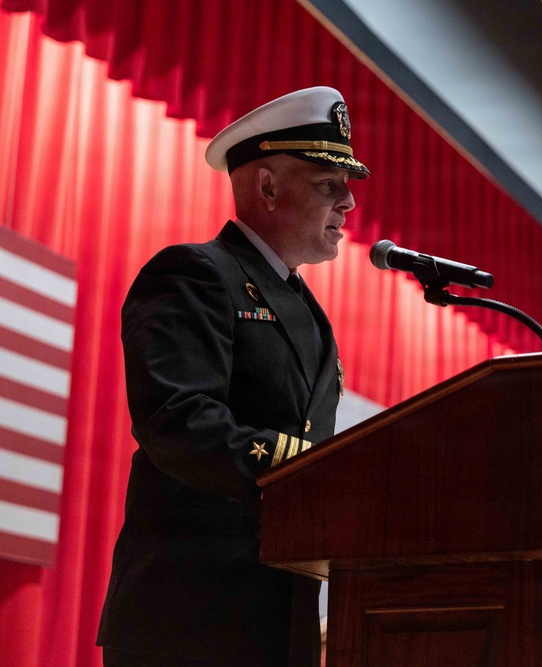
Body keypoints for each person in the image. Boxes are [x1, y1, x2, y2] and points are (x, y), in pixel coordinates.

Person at [97, 87, 369, 666]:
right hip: (189, 617)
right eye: (328, 184)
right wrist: (308, 467)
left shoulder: (307, 309)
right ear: (267, 186)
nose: (348, 203)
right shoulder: (194, 273)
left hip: (279, 614)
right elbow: (179, 422)